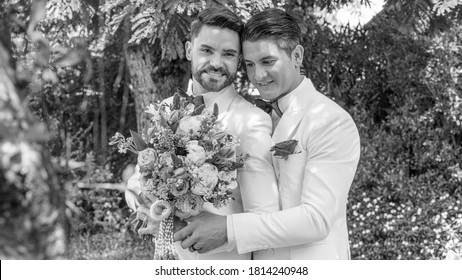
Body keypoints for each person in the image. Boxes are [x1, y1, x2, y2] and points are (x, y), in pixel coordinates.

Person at [174, 8, 361, 260]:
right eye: (249, 64)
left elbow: (317, 218)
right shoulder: (257, 113)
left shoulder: (331, 121)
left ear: (297, 55)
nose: (258, 76)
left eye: (268, 61)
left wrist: (228, 228)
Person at [125, 7, 279, 260]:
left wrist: (224, 232)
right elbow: (135, 182)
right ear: (188, 50)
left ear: (238, 61)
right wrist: (147, 205)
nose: (216, 63)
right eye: (206, 50)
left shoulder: (251, 121)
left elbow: (265, 216)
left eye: (228, 54)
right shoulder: (165, 108)